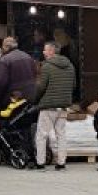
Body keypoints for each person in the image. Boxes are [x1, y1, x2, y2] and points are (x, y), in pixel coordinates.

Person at [34, 41, 75, 171]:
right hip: (63, 106)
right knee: (61, 135)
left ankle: (40, 163)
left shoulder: (46, 67)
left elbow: (41, 87)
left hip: (49, 106)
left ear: (52, 51)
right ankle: (61, 163)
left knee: (42, 135)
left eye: (45, 50)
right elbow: (73, 86)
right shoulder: (70, 66)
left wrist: (35, 100)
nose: (43, 52)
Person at [0, 36, 36, 107]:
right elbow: (34, 74)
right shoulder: (28, 56)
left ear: (6, 47)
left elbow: (0, 82)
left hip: (13, 99)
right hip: (29, 97)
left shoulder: (5, 60)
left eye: (2, 46)